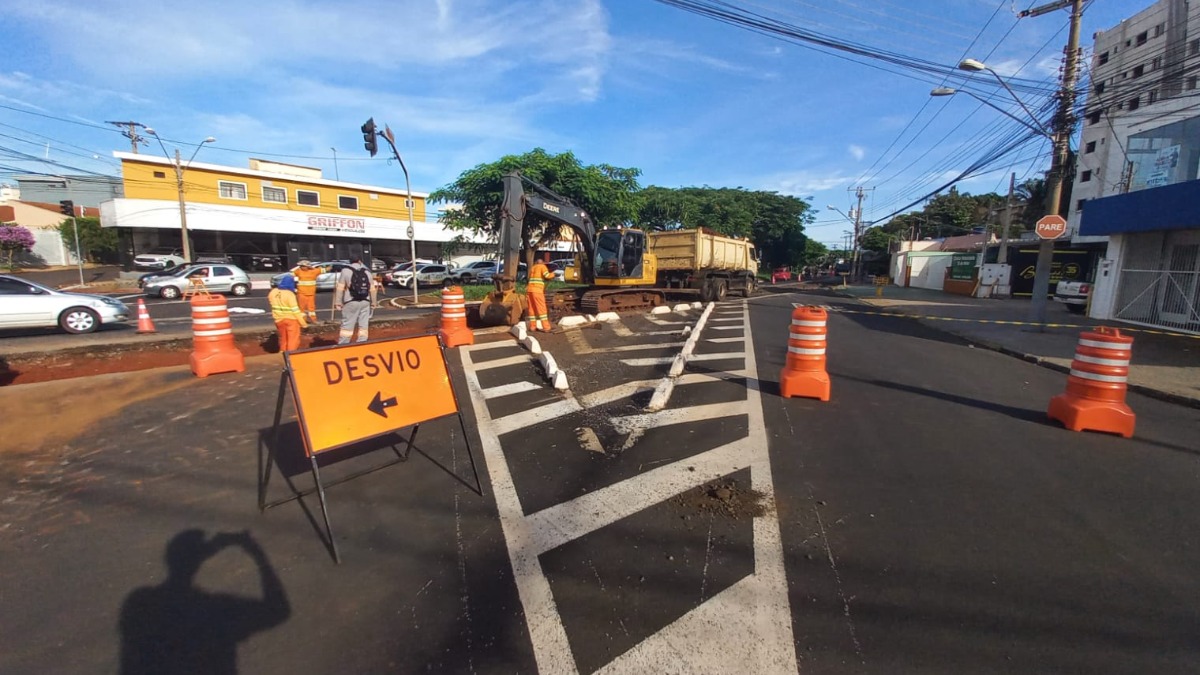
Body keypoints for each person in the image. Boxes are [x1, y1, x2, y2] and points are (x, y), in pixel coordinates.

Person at [335, 255, 374, 344]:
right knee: (363, 325)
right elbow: (372, 289)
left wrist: (338, 302)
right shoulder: (367, 271)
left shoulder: (345, 271)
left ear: (350, 261)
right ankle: (362, 342)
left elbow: (340, 288)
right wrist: (374, 302)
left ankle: (344, 344)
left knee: (347, 325)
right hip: (365, 301)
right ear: (360, 261)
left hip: (351, 301)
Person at [267, 274, 307, 352]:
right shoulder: (290, 294)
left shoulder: (273, 292)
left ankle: (282, 354)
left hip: (279, 320)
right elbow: (296, 311)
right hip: (291, 320)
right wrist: (303, 324)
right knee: (293, 340)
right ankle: (291, 355)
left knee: (284, 339)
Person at [525, 253, 555, 332]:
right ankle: (546, 327)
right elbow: (547, 275)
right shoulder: (542, 267)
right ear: (542, 262)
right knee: (542, 309)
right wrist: (553, 274)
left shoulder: (533, 268)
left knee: (532, 309)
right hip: (537, 291)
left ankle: (532, 327)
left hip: (529, 290)